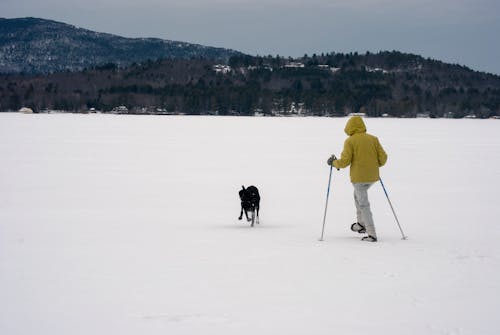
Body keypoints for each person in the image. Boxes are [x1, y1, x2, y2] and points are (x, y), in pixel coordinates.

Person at [327, 116, 387, 242]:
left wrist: (333, 163)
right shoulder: (373, 139)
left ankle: (371, 233)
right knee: (357, 197)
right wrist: (374, 166)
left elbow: (344, 162)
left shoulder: (350, 141)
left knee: (363, 204)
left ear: (350, 127)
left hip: (359, 179)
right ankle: (361, 224)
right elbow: (383, 158)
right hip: (373, 177)